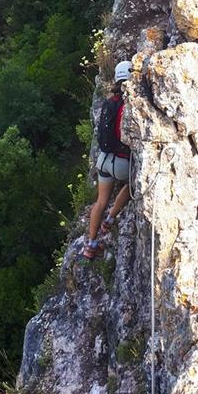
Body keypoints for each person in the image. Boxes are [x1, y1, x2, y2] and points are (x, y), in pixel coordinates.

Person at [82, 60, 132, 261]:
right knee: (132, 185)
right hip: (121, 162)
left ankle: (91, 245)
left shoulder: (109, 102)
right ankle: (110, 219)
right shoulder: (130, 104)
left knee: (100, 201)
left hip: (104, 159)